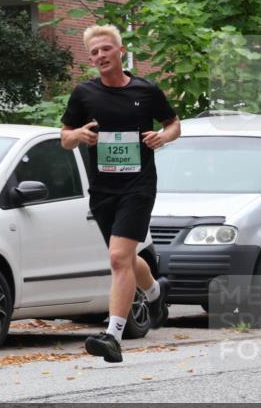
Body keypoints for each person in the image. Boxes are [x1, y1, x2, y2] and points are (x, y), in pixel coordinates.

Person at [61, 24, 180, 363]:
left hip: (138, 186)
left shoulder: (146, 90)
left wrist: (163, 137)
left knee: (117, 258)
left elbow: (174, 123)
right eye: (94, 52)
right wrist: (80, 134)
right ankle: (156, 291)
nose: (100, 56)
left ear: (120, 50)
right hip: (102, 189)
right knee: (126, 258)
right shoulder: (84, 94)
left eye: (105, 49)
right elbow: (64, 137)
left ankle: (113, 336)